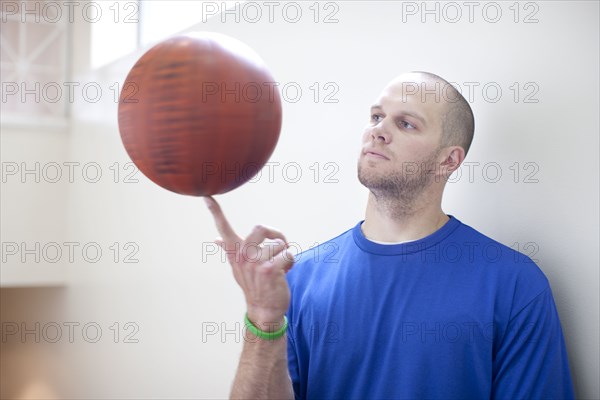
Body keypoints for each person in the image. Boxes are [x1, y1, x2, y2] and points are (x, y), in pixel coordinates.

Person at [204, 71, 575, 399]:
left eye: (406, 124)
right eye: (377, 116)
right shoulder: (300, 278)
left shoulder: (514, 285)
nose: (377, 131)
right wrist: (263, 318)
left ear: (449, 160)